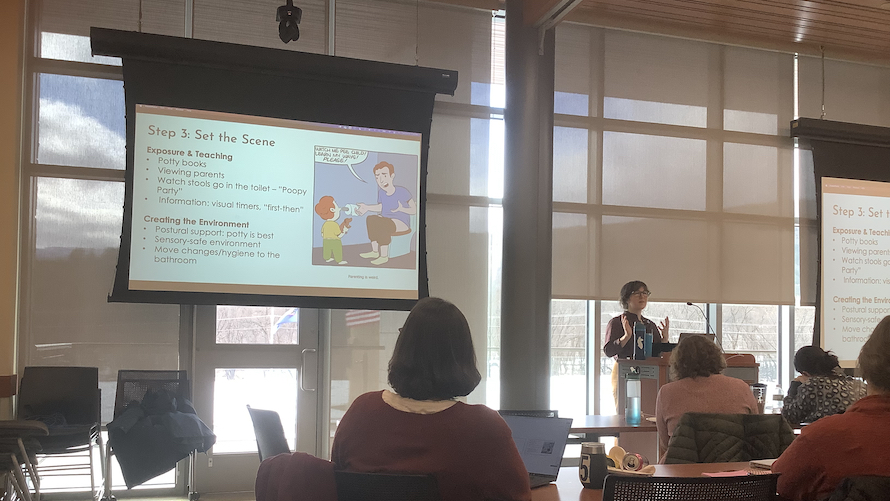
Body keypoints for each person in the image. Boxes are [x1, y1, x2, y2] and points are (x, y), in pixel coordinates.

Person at [330, 297, 531, 501]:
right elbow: (519, 496)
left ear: (402, 348)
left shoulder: (362, 412)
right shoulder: (483, 427)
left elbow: (337, 478)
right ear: (463, 355)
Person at [772, 315, 890, 501]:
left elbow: (778, 485)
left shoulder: (823, 438)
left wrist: (794, 387)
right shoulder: (851, 384)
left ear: (868, 368)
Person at [655, 334, 759, 461]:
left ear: (678, 363)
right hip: (733, 473)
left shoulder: (667, 393)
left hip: (681, 473)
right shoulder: (742, 388)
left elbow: (666, 444)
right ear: (717, 357)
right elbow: (754, 434)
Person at [603, 281, 669, 409]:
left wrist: (664, 341)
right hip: (625, 371)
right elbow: (608, 350)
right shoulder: (617, 322)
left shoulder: (649, 324)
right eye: (637, 293)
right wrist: (626, 336)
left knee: (649, 409)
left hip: (650, 372)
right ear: (627, 298)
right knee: (625, 410)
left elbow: (657, 353)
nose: (642, 296)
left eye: (645, 293)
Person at [781, 345, 866, 425]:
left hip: (828, 436)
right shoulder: (858, 385)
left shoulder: (813, 385)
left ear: (805, 373)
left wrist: (795, 385)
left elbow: (789, 416)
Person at [356, 161, 416, 266]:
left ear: (392, 176)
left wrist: (401, 209)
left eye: (384, 175)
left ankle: (383, 256)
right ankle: (375, 252)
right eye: (377, 176)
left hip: (401, 223)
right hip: (386, 220)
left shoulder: (402, 191)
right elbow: (381, 207)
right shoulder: (381, 193)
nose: (381, 179)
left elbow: (414, 210)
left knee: (383, 223)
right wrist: (366, 207)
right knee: (371, 218)